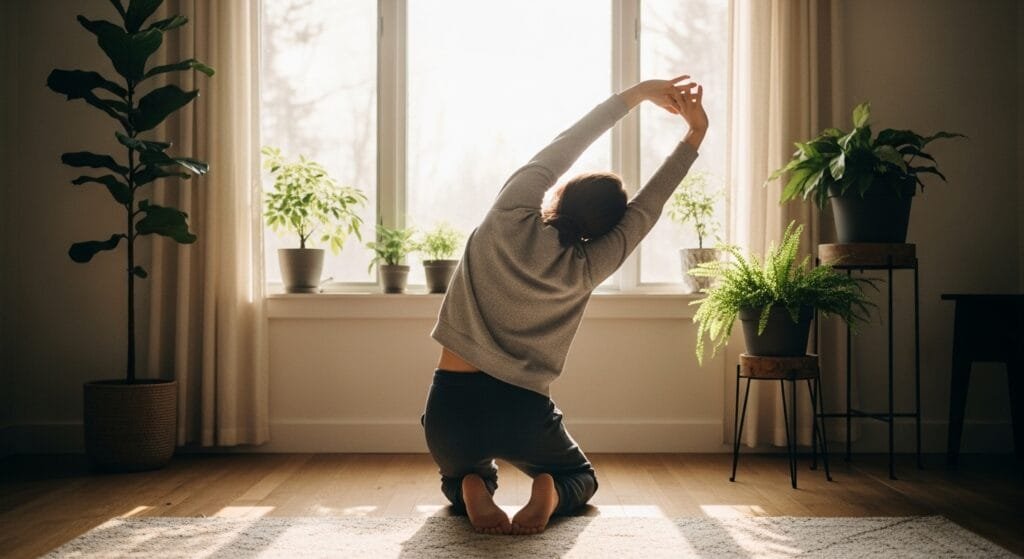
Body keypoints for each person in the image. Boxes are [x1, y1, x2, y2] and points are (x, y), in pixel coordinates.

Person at [422, 75, 708, 536]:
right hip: (523, 411)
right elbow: (648, 208)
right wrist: (694, 135)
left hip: (449, 407)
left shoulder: (507, 215)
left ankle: (472, 484)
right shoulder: (590, 264)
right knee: (581, 478)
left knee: (454, 472)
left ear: (559, 193)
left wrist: (635, 96)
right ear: (604, 231)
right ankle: (550, 493)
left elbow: (567, 143)